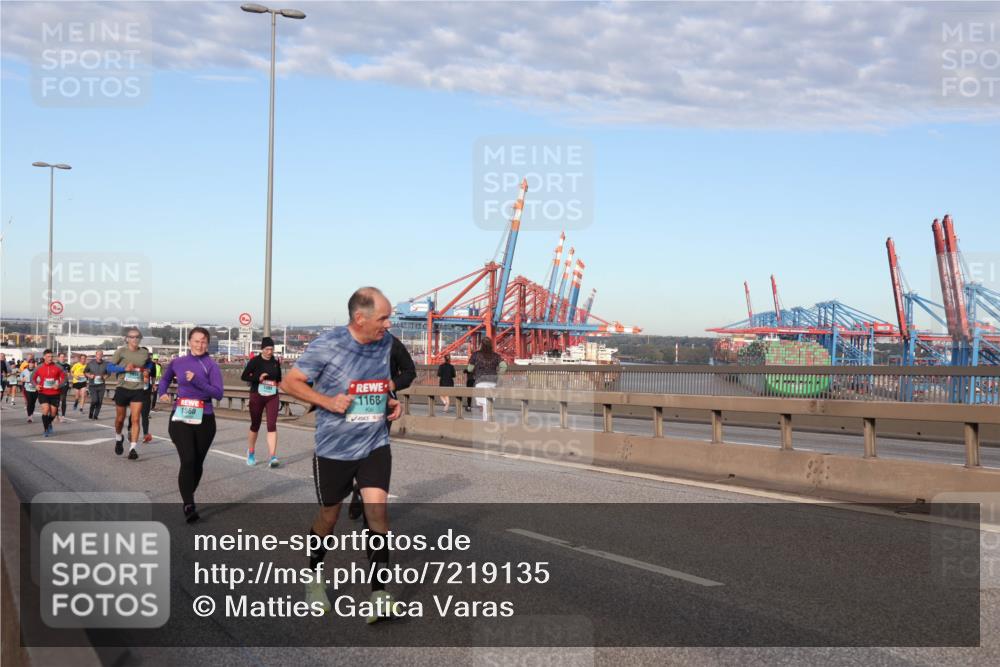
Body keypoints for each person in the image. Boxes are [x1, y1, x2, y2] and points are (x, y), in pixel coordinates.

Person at [280, 287, 403, 623]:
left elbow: (377, 383)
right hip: (334, 448)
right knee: (329, 517)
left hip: (374, 442)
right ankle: (314, 578)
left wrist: (389, 401)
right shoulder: (328, 344)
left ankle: (379, 594)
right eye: (383, 318)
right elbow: (290, 383)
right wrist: (327, 401)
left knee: (378, 513)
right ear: (360, 318)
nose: (388, 324)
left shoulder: (385, 343)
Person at [157, 327, 224, 523]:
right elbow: (165, 379)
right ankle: (189, 504)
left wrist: (197, 381)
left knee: (197, 463)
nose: (200, 345)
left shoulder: (211, 365)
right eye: (196, 341)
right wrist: (162, 392)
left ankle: (188, 493)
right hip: (181, 416)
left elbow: (218, 393)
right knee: (188, 459)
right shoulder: (177, 362)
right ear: (189, 342)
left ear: (207, 344)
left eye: (203, 341)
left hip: (205, 417)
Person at [346, 332, 415, 521]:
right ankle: (360, 489)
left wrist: (392, 385)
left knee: (375, 455)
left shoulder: (393, 343)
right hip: (355, 406)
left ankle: (367, 504)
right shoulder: (351, 340)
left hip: (382, 406)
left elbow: (410, 371)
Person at [241, 336, 282, 467]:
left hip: (272, 396)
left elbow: (279, 378)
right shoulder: (255, 361)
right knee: (255, 424)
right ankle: (251, 453)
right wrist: (258, 378)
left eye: (271, 349)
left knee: (272, 425)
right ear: (262, 349)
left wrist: (279, 384)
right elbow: (244, 376)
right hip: (257, 395)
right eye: (267, 349)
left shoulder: (275, 362)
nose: (269, 352)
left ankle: (273, 457)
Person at [112, 328, 152, 460]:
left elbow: (150, 364)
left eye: (137, 337)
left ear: (140, 339)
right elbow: (109, 367)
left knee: (135, 419)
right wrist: (123, 368)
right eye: (132, 337)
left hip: (138, 389)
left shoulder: (144, 352)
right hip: (122, 388)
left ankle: (133, 448)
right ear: (127, 338)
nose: (135, 339)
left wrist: (147, 370)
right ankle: (119, 437)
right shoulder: (121, 351)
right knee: (120, 419)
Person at [467, 337, 507, 422]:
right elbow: (504, 366)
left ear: (481, 345)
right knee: (488, 404)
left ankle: (486, 423)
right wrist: (499, 375)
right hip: (493, 382)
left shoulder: (476, 354)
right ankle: (488, 422)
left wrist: (474, 368)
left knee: (483, 404)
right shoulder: (496, 356)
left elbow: (469, 369)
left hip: (480, 382)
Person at [31, 350, 65, 437]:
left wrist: (59, 385)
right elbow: (32, 378)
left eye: (51, 356)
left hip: (55, 393)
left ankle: (49, 423)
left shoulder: (58, 367)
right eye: (48, 356)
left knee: (53, 413)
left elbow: (64, 378)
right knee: (45, 409)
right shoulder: (39, 367)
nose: (50, 358)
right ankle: (46, 429)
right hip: (43, 392)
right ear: (44, 357)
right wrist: (36, 385)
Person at [128, 348, 155, 443]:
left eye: (147, 354)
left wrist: (153, 384)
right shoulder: (133, 363)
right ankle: (130, 430)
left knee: (145, 415)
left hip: (146, 392)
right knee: (133, 414)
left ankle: (145, 434)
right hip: (135, 392)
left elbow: (153, 376)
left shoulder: (151, 364)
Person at [84, 350, 110, 419]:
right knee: (94, 400)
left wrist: (104, 377)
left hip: (101, 385)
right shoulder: (90, 363)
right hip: (92, 385)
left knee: (100, 401)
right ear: (96, 355)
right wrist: (90, 376)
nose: (100, 355)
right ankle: (91, 412)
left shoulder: (105, 364)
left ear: (102, 355)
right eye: (98, 354)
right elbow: (85, 372)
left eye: (101, 354)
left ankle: (96, 415)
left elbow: (108, 373)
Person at [55, 351, 71, 421]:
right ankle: (56, 415)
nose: (62, 358)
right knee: (57, 400)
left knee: (63, 400)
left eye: (63, 357)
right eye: (61, 357)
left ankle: (63, 416)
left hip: (64, 384)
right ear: (58, 358)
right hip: (57, 385)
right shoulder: (55, 365)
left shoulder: (68, 366)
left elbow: (68, 375)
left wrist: (66, 375)